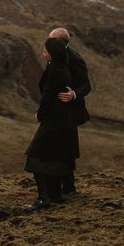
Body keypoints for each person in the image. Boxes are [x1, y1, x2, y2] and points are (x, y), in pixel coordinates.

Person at [24, 37, 80, 209]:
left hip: (54, 120)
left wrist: (40, 114)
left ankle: (43, 198)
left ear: (52, 53)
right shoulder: (62, 67)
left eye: (45, 51)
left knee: (36, 156)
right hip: (62, 120)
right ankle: (54, 195)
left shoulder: (55, 69)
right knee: (53, 156)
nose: (43, 53)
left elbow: (48, 95)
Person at [49, 27, 91, 195]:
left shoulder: (75, 58)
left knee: (66, 148)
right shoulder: (54, 53)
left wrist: (73, 94)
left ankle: (67, 187)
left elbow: (86, 85)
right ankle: (61, 185)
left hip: (69, 111)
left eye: (50, 40)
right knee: (59, 147)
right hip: (56, 110)